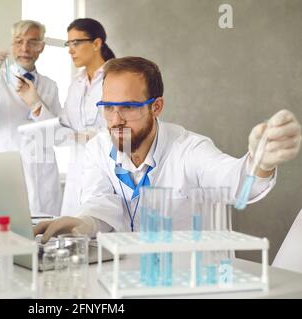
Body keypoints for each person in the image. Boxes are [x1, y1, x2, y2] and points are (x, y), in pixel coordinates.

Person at [34, 56, 302, 243]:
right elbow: (101, 201)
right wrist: (84, 223)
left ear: (156, 106)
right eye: (108, 107)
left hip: (185, 277)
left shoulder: (189, 149)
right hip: (124, 276)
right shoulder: (98, 148)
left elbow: (235, 184)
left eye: (127, 107)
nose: (115, 120)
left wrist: (261, 162)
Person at [0, 20, 62, 215]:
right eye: (19, 41)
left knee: (43, 237)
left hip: (43, 175)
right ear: (12, 45)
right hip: (6, 171)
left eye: (33, 42)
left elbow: (57, 135)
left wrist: (36, 105)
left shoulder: (50, 86)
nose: (25, 48)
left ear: (41, 47)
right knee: (5, 236)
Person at [59, 18, 115, 216]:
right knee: (73, 233)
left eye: (76, 43)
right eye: (68, 44)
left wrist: (90, 136)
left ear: (97, 44)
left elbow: (126, 127)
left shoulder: (115, 76)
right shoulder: (76, 83)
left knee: (102, 229)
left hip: (108, 169)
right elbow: (64, 125)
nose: (70, 50)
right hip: (77, 171)